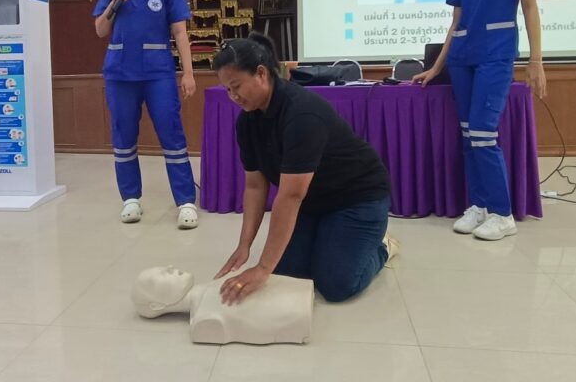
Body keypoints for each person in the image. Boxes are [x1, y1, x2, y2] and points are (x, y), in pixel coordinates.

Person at [212, 33, 399, 304]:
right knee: (288, 273)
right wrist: (244, 245)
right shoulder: (247, 122)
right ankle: (328, 239)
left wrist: (262, 267)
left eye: (236, 86)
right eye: (227, 90)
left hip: (357, 198)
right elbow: (255, 186)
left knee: (336, 285)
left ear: (261, 73)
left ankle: (382, 247)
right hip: (313, 201)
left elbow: (290, 196)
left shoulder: (301, 114)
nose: (233, 97)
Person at [412, 0, 547, 241]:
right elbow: (455, 21)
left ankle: (502, 214)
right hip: (462, 58)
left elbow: (530, 8)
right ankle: (481, 205)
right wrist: (436, 67)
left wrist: (536, 60)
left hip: (495, 55)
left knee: (484, 134)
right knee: (469, 134)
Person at [94, 0, 198, 228]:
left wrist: (188, 73)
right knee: (123, 135)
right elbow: (100, 30)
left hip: (158, 75)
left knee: (171, 133)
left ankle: (186, 201)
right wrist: (114, 2)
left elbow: (180, 32)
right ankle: (130, 199)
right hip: (120, 75)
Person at [132, 265, 314, 345]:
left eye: (162, 268)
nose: (170, 268)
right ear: (157, 305)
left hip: (299, 293)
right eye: (156, 279)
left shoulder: (212, 285)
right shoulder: (204, 321)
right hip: (297, 312)